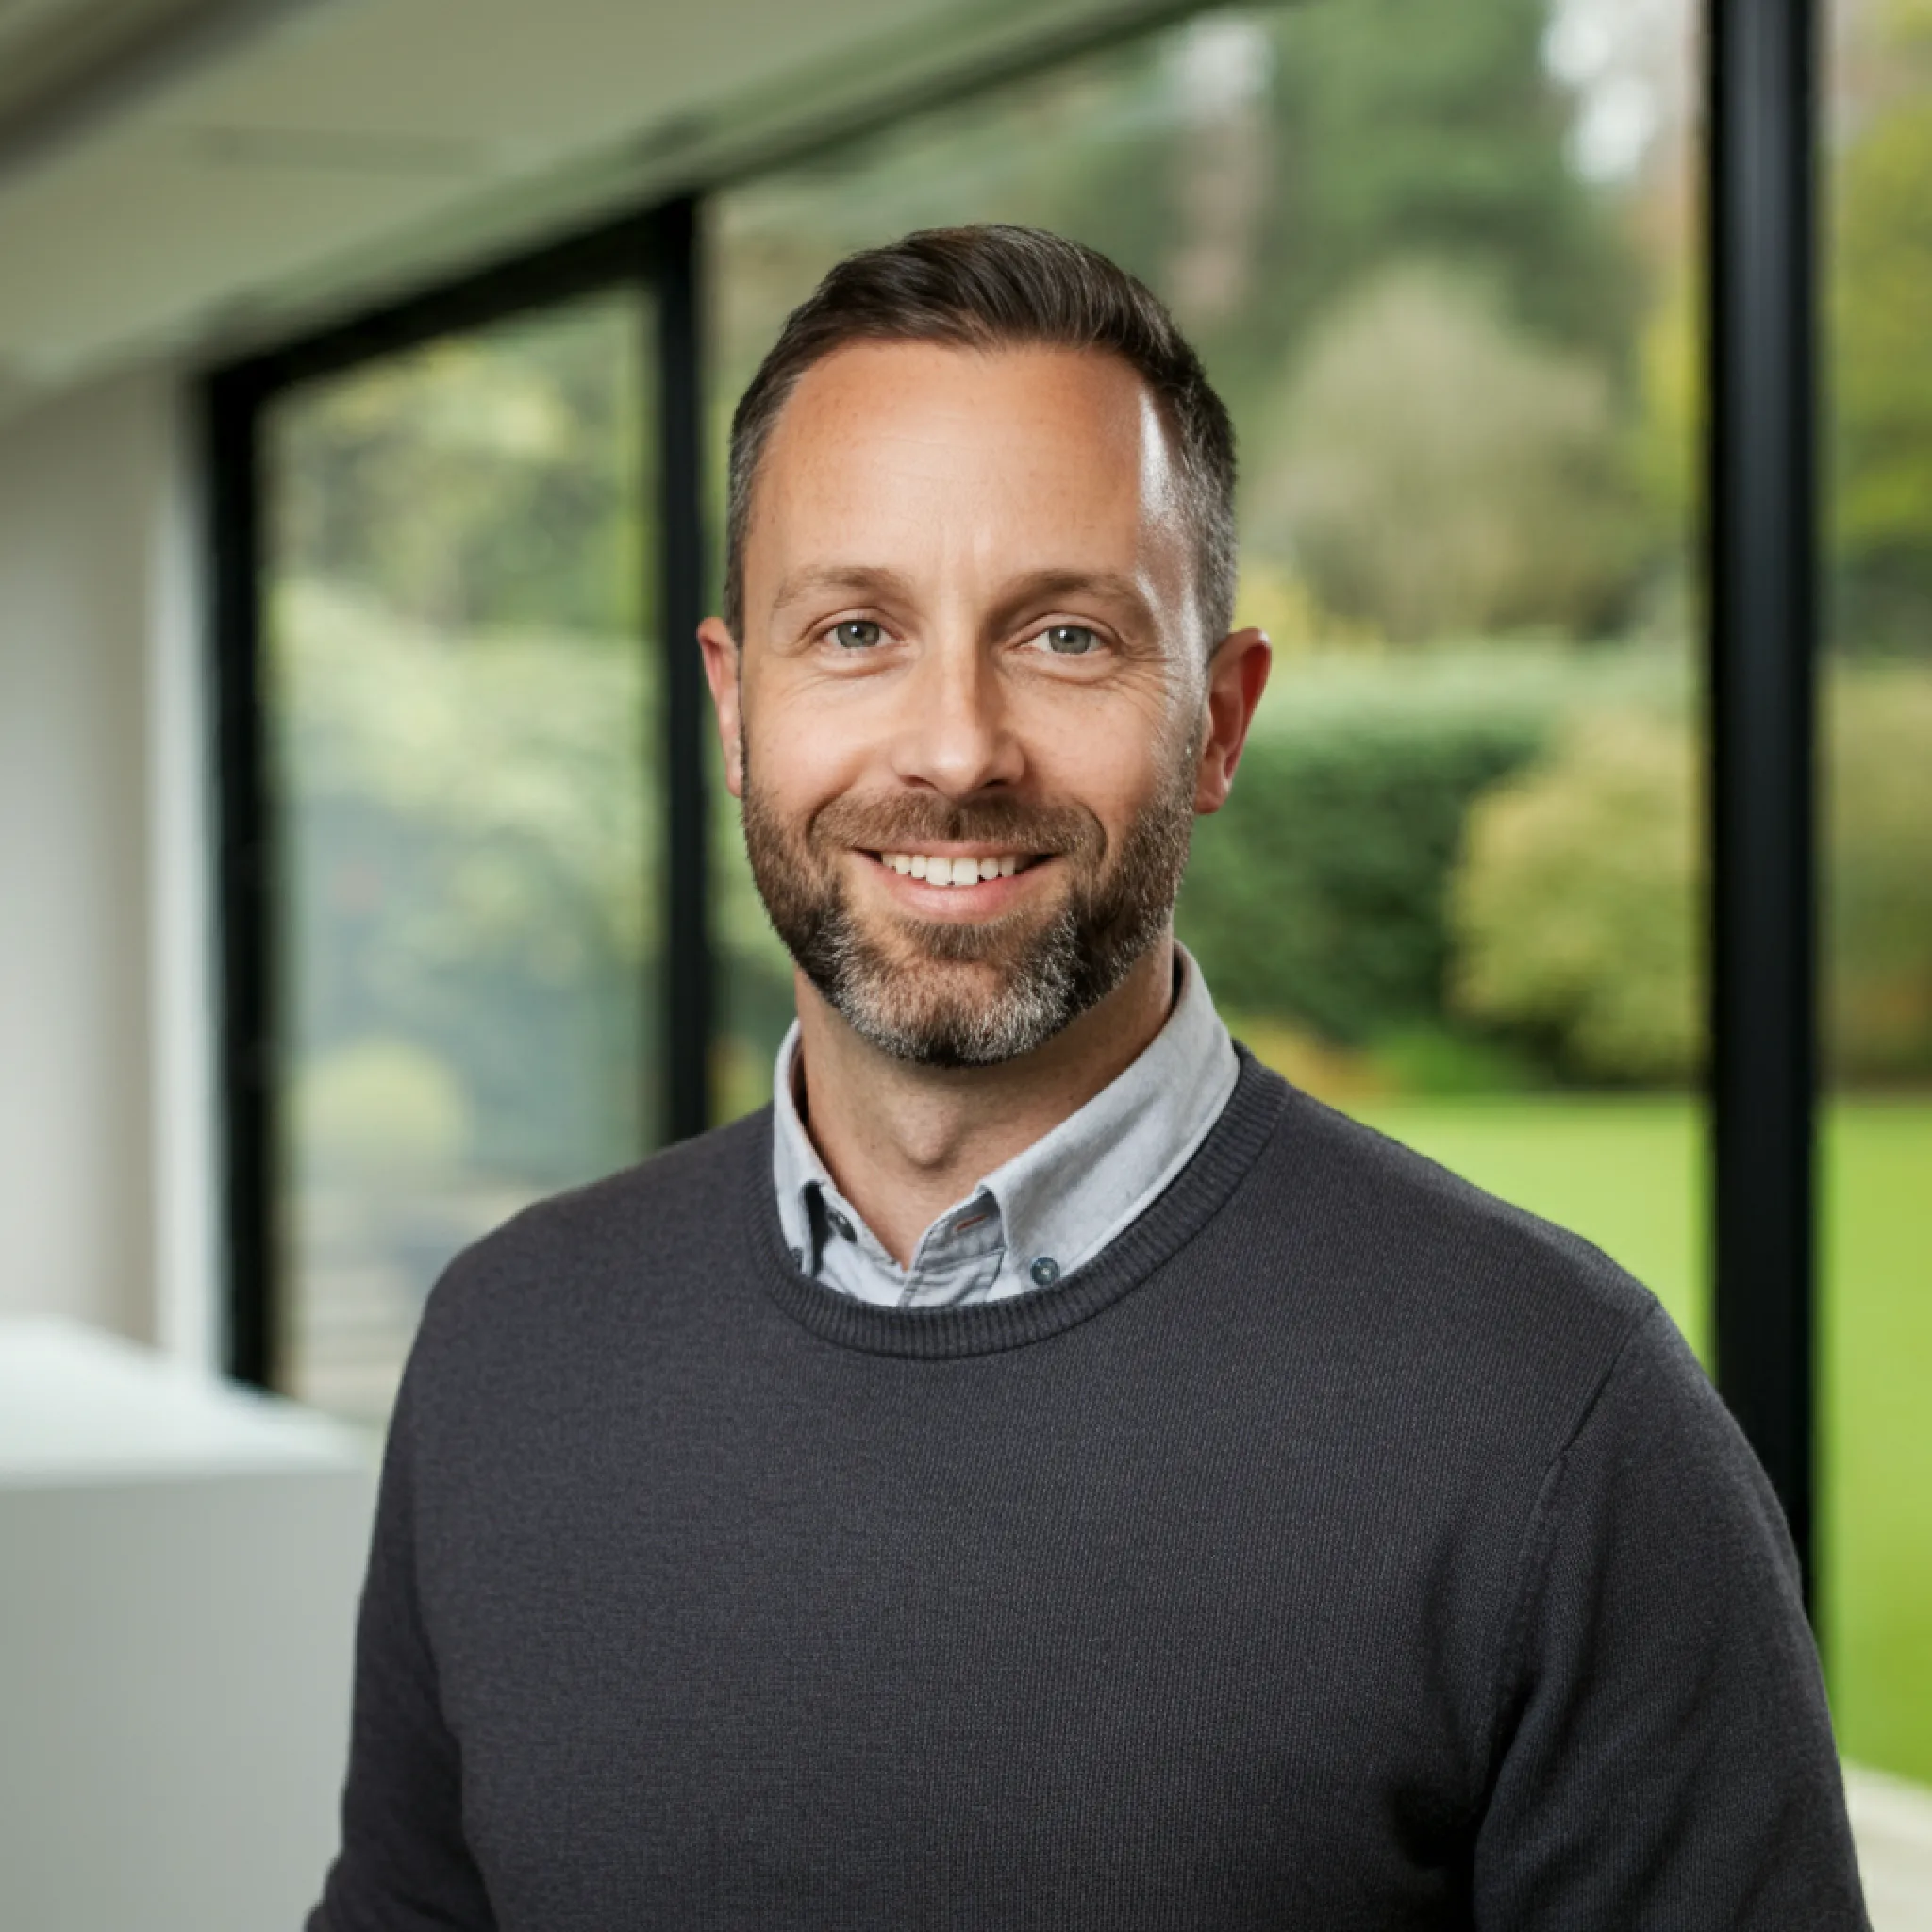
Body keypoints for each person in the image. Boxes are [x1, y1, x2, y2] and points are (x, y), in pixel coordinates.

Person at [311, 225, 1868, 1929]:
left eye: (1063, 638)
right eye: (854, 630)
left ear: (1218, 718)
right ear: (735, 704)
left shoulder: (1561, 1422)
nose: (958, 747)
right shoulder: (509, 1349)